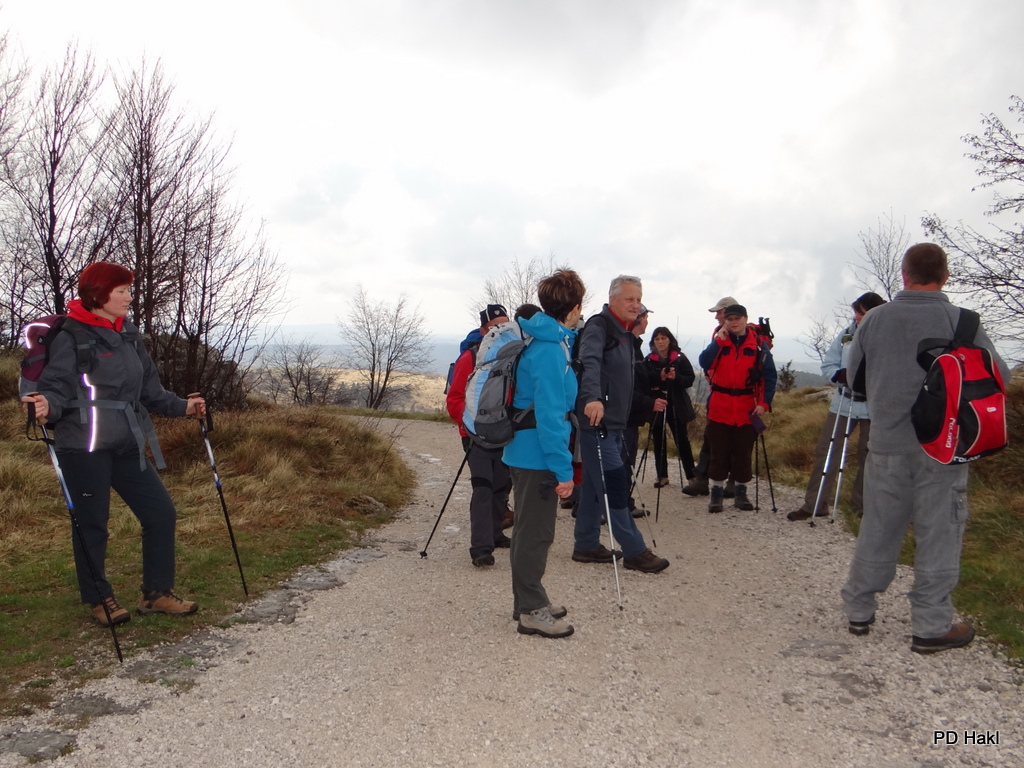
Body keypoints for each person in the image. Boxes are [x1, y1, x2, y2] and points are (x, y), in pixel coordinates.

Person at [840, 244, 1009, 654]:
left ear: (904, 274)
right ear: (945, 276)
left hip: (886, 442)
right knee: (939, 531)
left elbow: (854, 379)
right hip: (944, 447)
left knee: (879, 524)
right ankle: (931, 626)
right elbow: (999, 375)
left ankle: (859, 608)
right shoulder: (963, 321)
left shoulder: (874, 319)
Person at [20, 261, 205, 627]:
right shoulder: (72, 336)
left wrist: (183, 407)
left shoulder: (127, 334)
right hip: (83, 447)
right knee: (93, 525)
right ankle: (98, 598)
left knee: (160, 513)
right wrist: (45, 405)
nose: (129, 297)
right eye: (121, 291)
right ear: (99, 294)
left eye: (129, 290)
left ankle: (157, 593)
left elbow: (149, 390)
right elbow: (57, 388)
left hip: (126, 442)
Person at [503, 269, 586, 638]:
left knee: (528, 530)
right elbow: (551, 417)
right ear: (574, 307)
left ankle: (527, 600)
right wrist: (563, 470)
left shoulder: (546, 341)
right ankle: (531, 610)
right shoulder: (551, 350)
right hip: (537, 454)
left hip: (525, 450)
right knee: (535, 534)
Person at [572, 275, 669, 574]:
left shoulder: (625, 333)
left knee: (594, 484)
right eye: (630, 299)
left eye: (638, 299)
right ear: (612, 299)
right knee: (614, 486)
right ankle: (635, 551)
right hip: (597, 423)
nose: (636, 305)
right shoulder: (599, 327)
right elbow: (589, 363)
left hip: (614, 424)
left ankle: (586, 543)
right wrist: (592, 397)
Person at [787, 292, 886, 521]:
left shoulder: (888, 336)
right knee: (827, 451)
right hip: (844, 401)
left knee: (870, 456)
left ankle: (862, 507)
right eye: (856, 312)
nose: (856, 316)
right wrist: (838, 375)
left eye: (861, 312)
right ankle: (815, 504)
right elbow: (828, 365)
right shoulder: (847, 335)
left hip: (874, 405)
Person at [445, 304, 514, 566]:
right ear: (483, 330)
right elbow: (455, 399)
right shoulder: (470, 358)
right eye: (495, 326)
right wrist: (468, 427)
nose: (500, 330)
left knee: (501, 485)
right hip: (475, 434)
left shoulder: (511, 355)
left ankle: (495, 533)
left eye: (505, 324)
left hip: (503, 431)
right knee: (483, 486)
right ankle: (481, 548)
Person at [697, 303, 777, 513]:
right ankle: (716, 496)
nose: (733, 323)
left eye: (737, 319)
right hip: (720, 406)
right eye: (730, 319)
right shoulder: (720, 342)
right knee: (718, 453)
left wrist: (764, 403)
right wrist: (718, 341)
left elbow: (769, 376)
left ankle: (741, 495)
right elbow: (704, 361)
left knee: (743, 453)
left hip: (746, 408)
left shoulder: (758, 345)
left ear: (745, 319)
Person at [683, 296, 738, 497]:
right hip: (718, 396)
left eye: (719, 312)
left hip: (739, 398)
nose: (716, 317)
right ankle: (705, 480)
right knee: (711, 437)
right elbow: (706, 361)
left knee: (736, 440)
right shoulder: (719, 334)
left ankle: (731, 482)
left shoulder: (746, 336)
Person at [645, 327, 696, 488]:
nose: (660, 342)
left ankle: (692, 476)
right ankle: (662, 476)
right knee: (658, 440)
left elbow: (690, 379)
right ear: (653, 342)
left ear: (670, 340)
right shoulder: (649, 360)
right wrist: (659, 378)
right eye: (657, 339)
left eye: (663, 338)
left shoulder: (679, 358)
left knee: (682, 440)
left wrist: (676, 377)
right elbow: (645, 380)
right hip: (657, 402)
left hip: (677, 403)